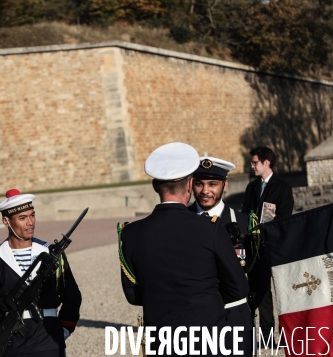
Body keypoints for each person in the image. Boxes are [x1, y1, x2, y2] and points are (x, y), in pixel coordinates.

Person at [119, 142, 252, 355]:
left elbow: (133, 294)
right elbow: (239, 288)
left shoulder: (130, 234)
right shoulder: (210, 229)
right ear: (190, 185)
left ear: (155, 186)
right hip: (206, 341)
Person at [0, 189, 82, 356]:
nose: (30, 222)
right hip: (15, 343)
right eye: (22, 218)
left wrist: (64, 330)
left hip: (49, 337)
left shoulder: (51, 253)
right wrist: (9, 331)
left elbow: (72, 295)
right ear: (6, 221)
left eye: (32, 215)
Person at [240, 146, 294, 346]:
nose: (252, 166)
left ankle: (291, 334)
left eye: (255, 162)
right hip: (256, 249)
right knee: (261, 292)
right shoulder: (251, 188)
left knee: (283, 291)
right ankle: (267, 337)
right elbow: (245, 213)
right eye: (252, 162)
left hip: (276, 247)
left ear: (266, 163)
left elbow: (285, 216)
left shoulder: (282, 187)